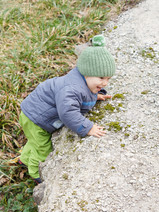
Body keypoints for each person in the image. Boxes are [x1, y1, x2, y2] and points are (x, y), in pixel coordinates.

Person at [18, 35, 116, 184]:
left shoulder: (83, 81)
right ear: (87, 72)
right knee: (42, 147)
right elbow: (67, 112)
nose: (105, 82)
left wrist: (95, 96)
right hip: (36, 118)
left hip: (34, 112)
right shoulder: (71, 89)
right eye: (101, 78)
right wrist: (87, 127)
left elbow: (84, 93)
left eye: (108, 79)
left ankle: (23, 159)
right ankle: (34, 172)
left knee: (34, 141)